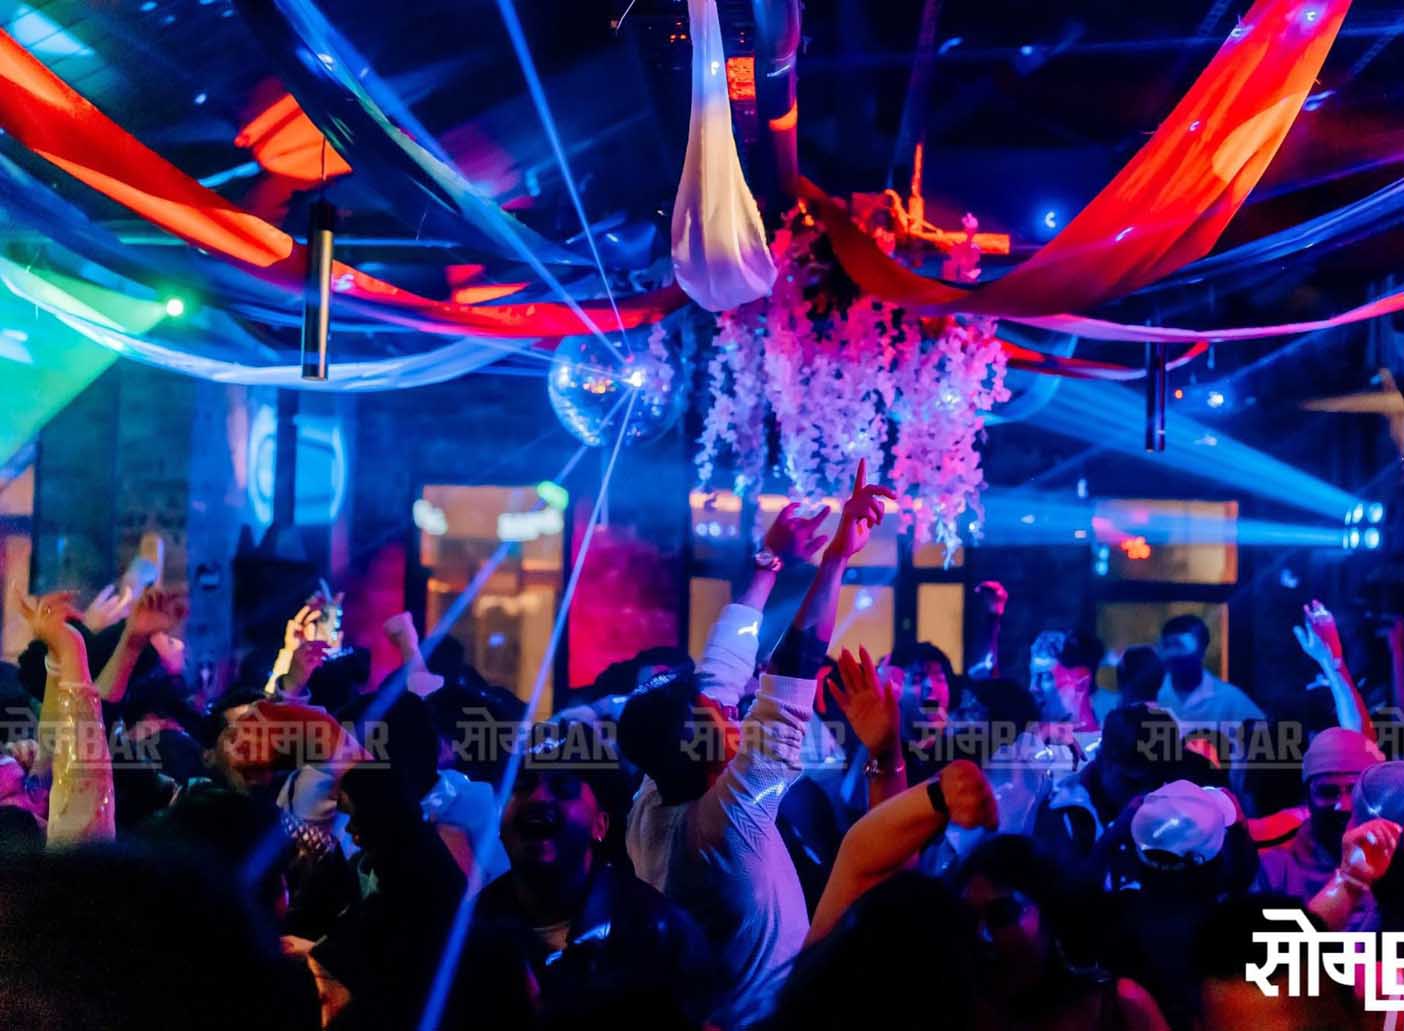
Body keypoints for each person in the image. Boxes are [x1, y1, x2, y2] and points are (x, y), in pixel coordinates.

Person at [618, 460, 894, 1025]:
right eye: (719, 714)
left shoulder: (653, 797)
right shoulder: (722, 827)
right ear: (695, 746)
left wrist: (769, 564)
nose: (730, 707)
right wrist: (836, 558)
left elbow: (720, 668)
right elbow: (790, 676)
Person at [474, 723, 716, 1026]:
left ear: (600, 825)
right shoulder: (469, 932)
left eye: (563, 786)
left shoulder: (660, 935)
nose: (537, 798)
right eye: (522, 784)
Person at [958, 834, 1170, 1031]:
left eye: (1001, 914)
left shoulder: (1121, 1005)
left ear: (1047, 908)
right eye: (970, 919)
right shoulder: (974, 1018)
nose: (983, 935)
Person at [1032, 703, 1184, 874]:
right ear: (1103, 759)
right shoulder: (1061, 814)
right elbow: (1066, 889)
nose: (1144, 795)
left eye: (1156, 783)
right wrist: (1113, 838)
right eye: (1132, 784)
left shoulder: (1178, 803)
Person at [1258, 728, 1384, 913]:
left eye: (1354, 791)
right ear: (1307, 796)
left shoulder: (1396, 858)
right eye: (1328, 792)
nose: (1343, 806)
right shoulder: (1276, 869)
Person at [1156, 614, 1264, 727]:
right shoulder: (1153, 694)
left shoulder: (1230, 698)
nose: (1174, 654)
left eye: (1181, 645)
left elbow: (1263, 733)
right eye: (1168, 646)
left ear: (1202, 650)